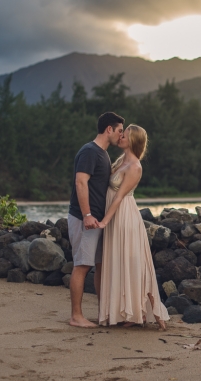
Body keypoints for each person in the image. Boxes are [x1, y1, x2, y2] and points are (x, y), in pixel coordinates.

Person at [97, 124, 169, 330]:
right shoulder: (121, 161)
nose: (120, 137)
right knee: (119, 262)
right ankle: (125, 311)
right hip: (116, 217)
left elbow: (119, 197)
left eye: (125, 135)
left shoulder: (135, 166)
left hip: (125, 218)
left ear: (133, 140)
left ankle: (141, 311)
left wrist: (104, 221)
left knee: (133, 263)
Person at [68, 112, 124, 328]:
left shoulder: (103, 154)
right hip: (85, 220)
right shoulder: (90, 151)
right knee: (82, 265)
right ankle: (76, 316)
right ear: (109, 129)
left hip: (97, 221)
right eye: (119, 131)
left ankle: (103, 313)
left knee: (100, 265)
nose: (121, 136)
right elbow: (80, 183)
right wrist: (87, 215)